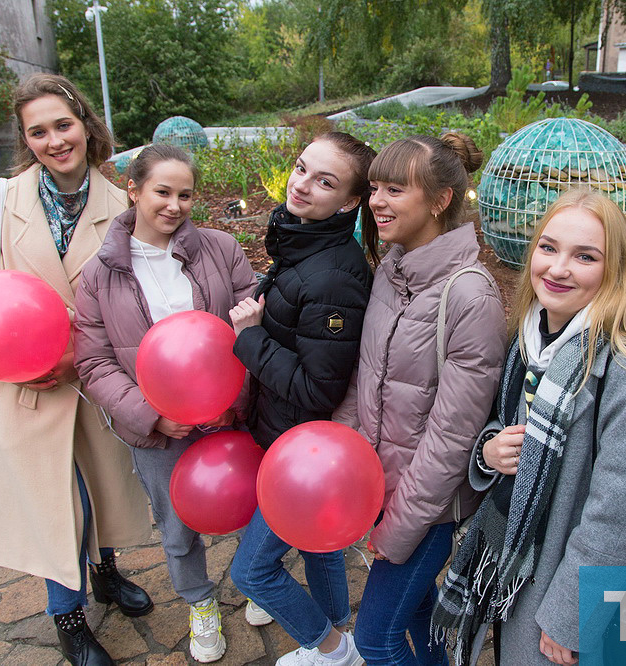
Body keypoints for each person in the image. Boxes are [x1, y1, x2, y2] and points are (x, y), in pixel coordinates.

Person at [0, 74, 152, 666]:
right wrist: (0, 344)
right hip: (25, 385)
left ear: (86, 123)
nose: (55, 140)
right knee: (55, 501)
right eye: (38, 131)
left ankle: (106, 574)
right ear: (25, 139)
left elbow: (134, 301)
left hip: (89, 379)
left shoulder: (123, 206)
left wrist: (77, 356)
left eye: (63, 125)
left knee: (103, 489)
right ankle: (67, 618)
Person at [432, 189, 626, 666]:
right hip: (514, 559)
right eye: (548, 248)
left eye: (584, 256)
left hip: (560, 582)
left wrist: (576, 616)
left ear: (616, 272)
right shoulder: (526, 341)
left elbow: (620, 514)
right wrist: (489, 452)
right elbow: (500, 425)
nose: (558, 268)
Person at [73, 143, 257, 663]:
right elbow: (94, 363)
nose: (174, 205)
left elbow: (252, 325)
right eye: (162, 191)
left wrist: (235, 398)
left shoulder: (219, 248)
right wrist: (150, 414)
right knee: (177, 525)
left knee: (247, 502)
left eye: (185, 194)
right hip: (158, 430)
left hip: (228, 416)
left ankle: (258, 580)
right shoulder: (99, 274)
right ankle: (200, 603)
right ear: (133, 191)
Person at [330, 132, 508, 665]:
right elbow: (366, 382)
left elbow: (451, 437)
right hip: (382, 488)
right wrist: (342, 459)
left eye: (394, 190)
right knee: (416, 617)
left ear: (439, 200)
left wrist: (399, 527)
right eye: (374, 188)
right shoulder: (392, 268)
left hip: (426, 512)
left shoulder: (470, 296)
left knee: (376, 639)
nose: (376, 201)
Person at [227, 132, 376, 666]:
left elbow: (319, 389)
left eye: (325, 181)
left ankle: (333, 650)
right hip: (293, 441)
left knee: (252, 571)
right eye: (301, 168)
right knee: (320, 545)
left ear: (351, 201)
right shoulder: (303, 240)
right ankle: (340, 635)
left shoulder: (334, 274)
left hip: (302, 448)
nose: (302, 185)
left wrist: (250, 338)